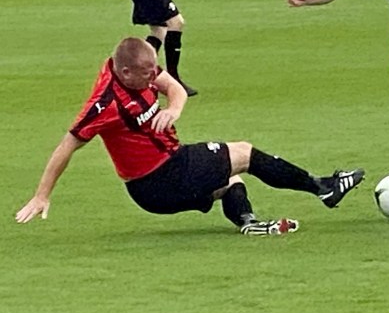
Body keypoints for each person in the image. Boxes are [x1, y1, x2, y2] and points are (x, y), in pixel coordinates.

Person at [15, 38, 365, 235]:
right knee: (242, 152)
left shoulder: (136, 68)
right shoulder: (105, 104)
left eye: (153, 71)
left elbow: (175, 89)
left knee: (231, 179)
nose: (152, 78)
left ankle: (248, 223)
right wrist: (42, 195)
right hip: (157, 178)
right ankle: (323, 188)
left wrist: (174, 109)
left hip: (166, 174)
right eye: (146, 75)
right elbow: (67, 145)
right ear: (125, 72)